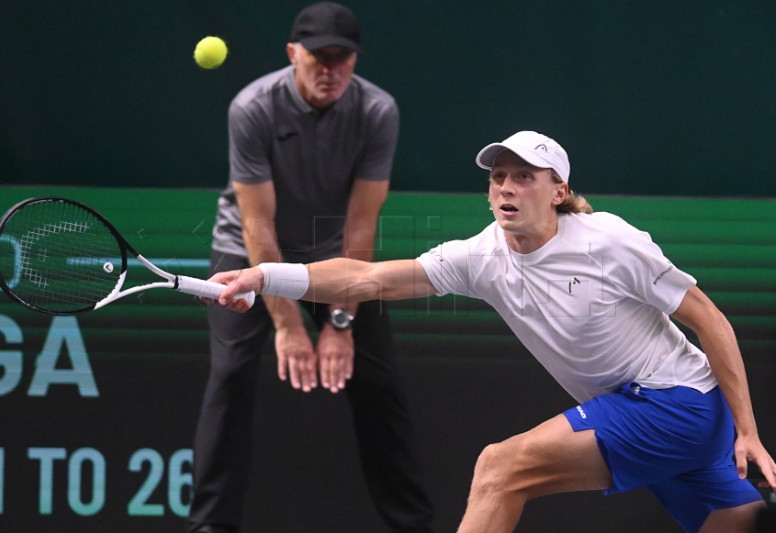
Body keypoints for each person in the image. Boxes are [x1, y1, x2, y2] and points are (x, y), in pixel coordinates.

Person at [206, 130, 776, 533]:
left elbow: (708, 318)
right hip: (663, 414)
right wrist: (265, 274)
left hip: (677, 403)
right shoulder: (481, 256)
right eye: (498, 176)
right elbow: (366, 278)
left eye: (524, 177)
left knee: (500, 469)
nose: (506, 186)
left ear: (557, 192)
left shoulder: (609, 241)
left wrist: (747, 431)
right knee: (738, 523)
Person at [187, 2, 434, 532]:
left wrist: (340, 321)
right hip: (247, 251)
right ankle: (210, 526)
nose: (331, 70)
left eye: (342, 58)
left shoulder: (377, 110)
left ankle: (411, 526)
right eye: (319, 57)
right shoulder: (252, 107)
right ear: (292, 54)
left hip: (335, 256)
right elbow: (258, 226)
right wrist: (288, 324)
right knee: (230, 376)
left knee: (379, 384)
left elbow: (362, 225)